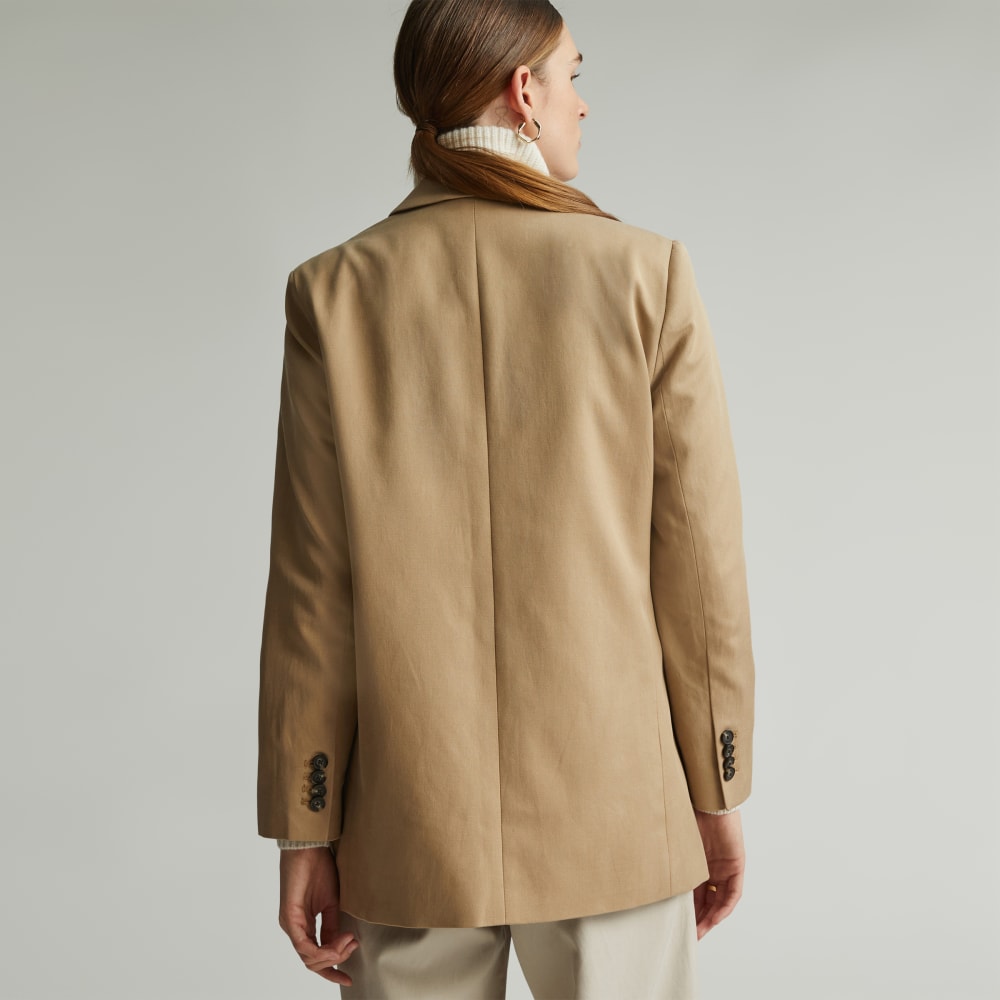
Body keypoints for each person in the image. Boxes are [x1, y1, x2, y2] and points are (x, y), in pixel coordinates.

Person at [256, 1, 756, 996]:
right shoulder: (644, 272)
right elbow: (698, 565)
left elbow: (313, 590)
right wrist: (717, 786)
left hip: (406, 826)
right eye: (573, 75)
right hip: (616, 814)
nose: (583, 103)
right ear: (524, 92)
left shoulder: (334, 291)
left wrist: (306, 826)